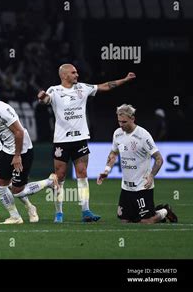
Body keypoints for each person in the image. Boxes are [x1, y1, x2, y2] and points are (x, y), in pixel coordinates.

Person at [37, 64, 136, 223]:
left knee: (82, 173)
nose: (77, 75)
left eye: (77, 72)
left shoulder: (83, 88)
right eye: (73, 72)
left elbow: (104, 86)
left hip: (80, 139)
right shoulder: (54, 90)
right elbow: (46, 100)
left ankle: (86, 211)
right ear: (64, 75)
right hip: (62, 141)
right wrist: (42, 98)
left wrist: (124, 79)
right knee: (60, 177)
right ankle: (59, 213)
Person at [0, 81, 57, 224]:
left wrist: (17, 156)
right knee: (0, 184)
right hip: (7, 150)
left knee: (18, 191)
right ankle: (15, 216)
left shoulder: (3, 109)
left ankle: (50, 182)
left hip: (22, 151)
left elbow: (19, 132)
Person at [97, 104, 177, 224]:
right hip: (126, 187)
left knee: (145, 221)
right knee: (125, 221)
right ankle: (152, 212)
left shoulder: (143, 135)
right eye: (119, 121)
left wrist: (151, 176)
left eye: (124, 122)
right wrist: (107, 170)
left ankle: (164, 211)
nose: (121, 125)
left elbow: (159, 159)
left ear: (132, 118)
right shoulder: (117, 134)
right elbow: (113, 154)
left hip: (142, 186)